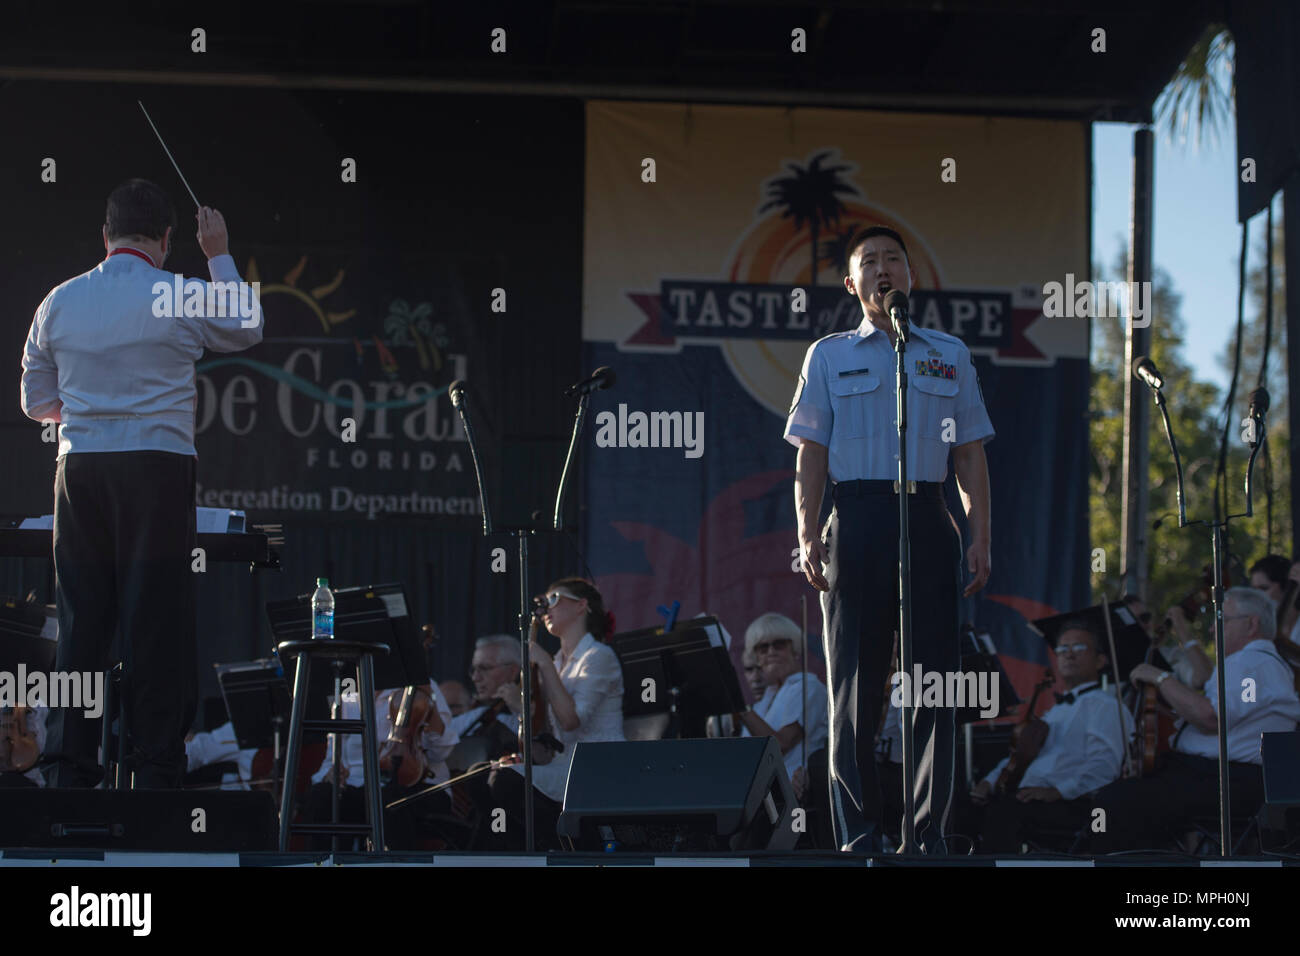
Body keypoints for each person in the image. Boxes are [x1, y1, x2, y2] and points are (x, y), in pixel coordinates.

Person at [22, 180, 262, 788]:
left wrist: (90, 408)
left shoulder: (58, 300)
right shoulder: (179, 294)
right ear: (165, 240)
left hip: (81, 470)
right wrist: (218, 254)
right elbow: (248, 325)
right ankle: (155, 772)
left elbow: (35, 401)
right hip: (156, 467)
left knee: (80, 621)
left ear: (104, 237)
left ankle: (66, 771)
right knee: (154, 618)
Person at [785, 224, 994, 854]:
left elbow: (971, 454)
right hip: (856, 515)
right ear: (853, 283)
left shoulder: (948, 353)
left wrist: (979, 533)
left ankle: (930, 831)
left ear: (911, 276)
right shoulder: (829, 354)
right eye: (870, 261)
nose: (884, 269)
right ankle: (861, 832)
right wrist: (807, 530)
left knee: (934, 680)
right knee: (855, 679)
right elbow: (811, 452)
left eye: (894, 260)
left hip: (927, 514)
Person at [1088, 586, 1300, 852]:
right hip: (1221, 778)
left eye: (1221, 619)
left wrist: (1159, 677)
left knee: (1114, 801)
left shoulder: (1252, 663)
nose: (1212, 630)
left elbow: (1211, 718)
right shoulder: (1257, 663)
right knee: (1126, 797)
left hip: (1225, 780)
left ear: (1251, 624)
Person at [474, 578, 624, 851]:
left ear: (581, 606)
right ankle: (531, 848)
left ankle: (566, 848)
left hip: (596, 769)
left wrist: (542, 662)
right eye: (543, 604)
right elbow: (552, 739)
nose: (545, 610)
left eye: (554, 599)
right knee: (481, 774)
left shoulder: (598, 656)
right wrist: (525, 751)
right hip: (564, 766)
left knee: (505, 781)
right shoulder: (556, 663)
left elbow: (570, 721)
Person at [970, 620, 1133, 853]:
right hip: (1028, 797)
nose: (1068, 655)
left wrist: (1057, 791)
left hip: (1075, 805)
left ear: (1100, 660)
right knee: (962, 809)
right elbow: (1019, 757)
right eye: (1062, 649)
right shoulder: (1055, 712)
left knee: (1003, 812)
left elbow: (1104, 767)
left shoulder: (1104, 706)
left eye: (1078, 648)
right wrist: (990, 780)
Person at [306, 681, 459, 849]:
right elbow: (331, 758)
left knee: (389, 800)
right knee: (321, 795)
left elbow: (441, 752)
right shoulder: (348, 694)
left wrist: (428, 700)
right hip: (358, 787)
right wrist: (330, 775)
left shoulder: (420, 686)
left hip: (416, 784)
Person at [736, 613, 827, 786]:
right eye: (763, 648)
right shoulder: (767, 697)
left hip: (793, 797)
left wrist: (741, 708)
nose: (771, 652)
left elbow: (781, 745)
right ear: (757, 659)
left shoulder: (808, 687)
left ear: (795, 650)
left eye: (779, 645)